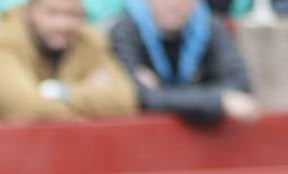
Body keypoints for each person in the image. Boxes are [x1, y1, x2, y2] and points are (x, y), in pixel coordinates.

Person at [0, 0, 138, 121]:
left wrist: (55, 91)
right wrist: (87, 101)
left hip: (52, 156)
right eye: (52, 14)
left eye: (73, 15)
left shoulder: (87, 38)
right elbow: (29, 110)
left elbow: (125, 100)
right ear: (29, 11)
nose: (62, 24)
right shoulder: (0, 41)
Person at [110, 0, 258, 126]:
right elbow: (138, 96)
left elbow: (239, 85)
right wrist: (218, 100)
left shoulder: (210, 26)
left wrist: (163, 95)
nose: (172, 5)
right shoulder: (125, 31)